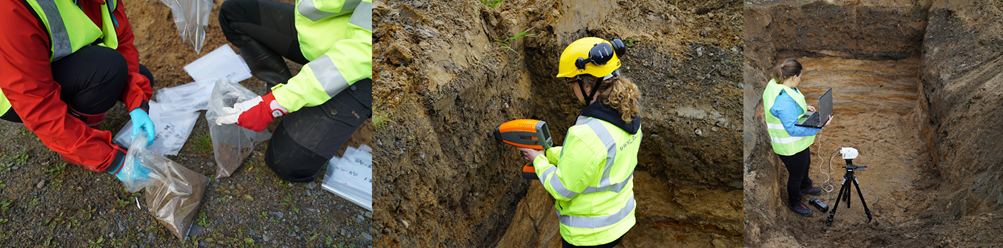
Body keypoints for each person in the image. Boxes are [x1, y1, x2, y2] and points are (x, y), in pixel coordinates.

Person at [0, 0, 157, 183]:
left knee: (138, 76)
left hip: (55, 62)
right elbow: (37, 106)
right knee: (108, 68)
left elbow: (121, 42)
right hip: (13, 96)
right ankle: (75, 147)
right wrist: (110, 159)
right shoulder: (11, 8)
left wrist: (137, 101)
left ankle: (74, 134)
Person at [216, 0, 372, 182]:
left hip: (364, 67)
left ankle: (292, 99)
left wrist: (275, 104)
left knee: (288, 163)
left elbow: (360, 53)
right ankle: (282, 87)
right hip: (328, 31)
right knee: (234, 13)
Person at [517, 37, 642, 248]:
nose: (572, 88)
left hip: (589, 235)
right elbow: (597, 159)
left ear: (586, 84)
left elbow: (561, 188)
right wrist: (550, 155)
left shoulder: (587, 133)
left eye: (572, 82)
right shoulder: (629, 114)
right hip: (619, 222)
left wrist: (538, 161)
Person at [761, 58, 833, 216]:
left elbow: (790, 104)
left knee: (806, 162)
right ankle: (795, 202)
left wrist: (804, 107)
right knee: (796, 175)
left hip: (798, 144)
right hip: (789, 146)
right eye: (800, 76)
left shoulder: (778, 83)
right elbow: (792, 129)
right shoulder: (783, 101)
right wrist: (819, 126)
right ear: (794, 77)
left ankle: (805, 186)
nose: (801, 79)